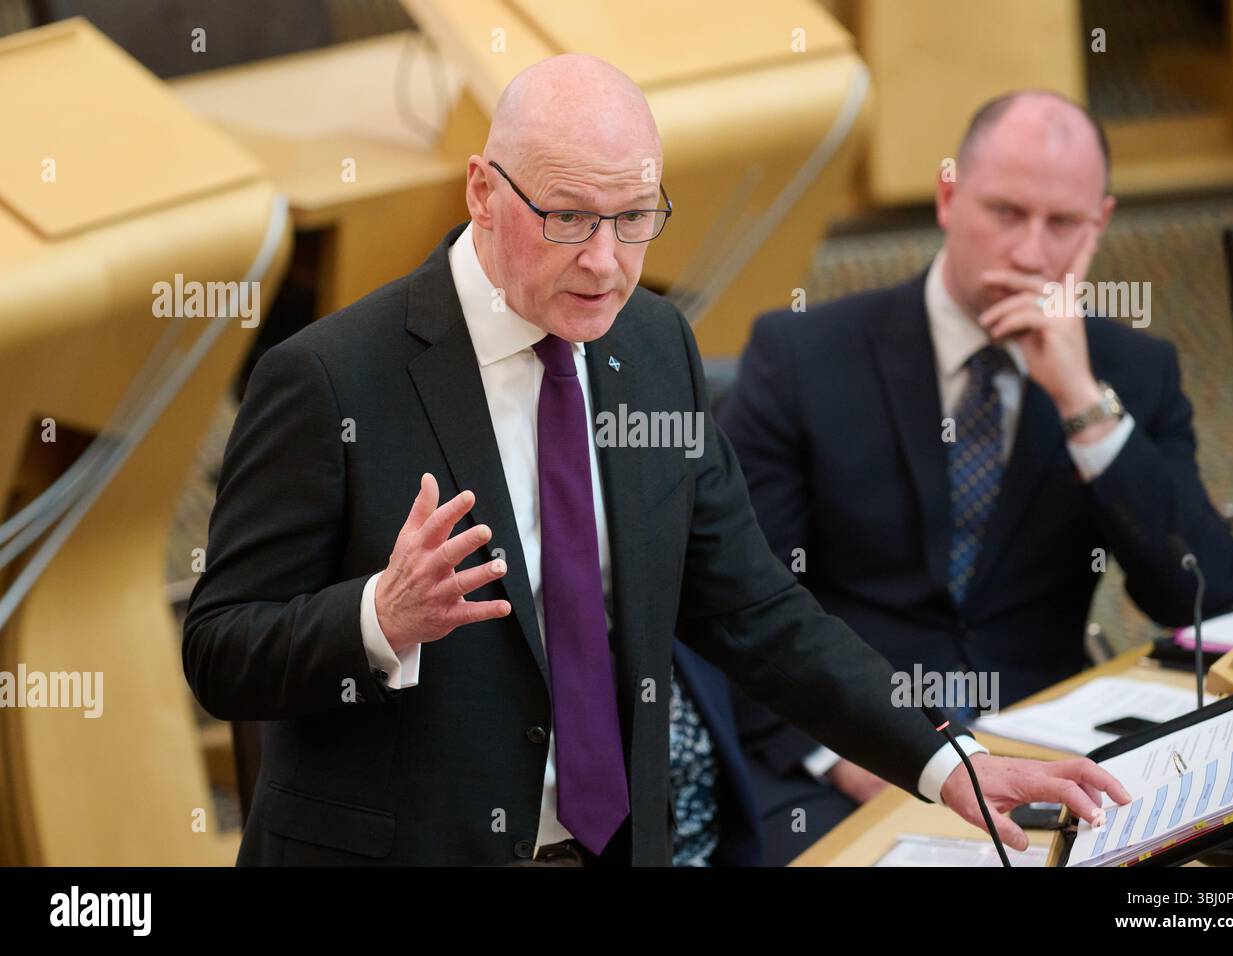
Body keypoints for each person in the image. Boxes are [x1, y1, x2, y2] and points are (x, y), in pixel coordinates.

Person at [183, 65, 1129, 866]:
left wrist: (940, 761)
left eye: (637, 218)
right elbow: (221, 649)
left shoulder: (653, 346)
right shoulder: (330, 377)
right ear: (481, 190)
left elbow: (755, 610)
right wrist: (377, 618)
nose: (606, 262)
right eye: (568, 219)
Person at [718, 90, 1233, 859]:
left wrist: (1082, 404)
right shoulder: (801, 358)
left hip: (1046, 743)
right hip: (838, 754)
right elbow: (732, 603)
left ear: (1099, 226)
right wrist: (868, 759)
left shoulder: (1131, 371)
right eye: (1005, 213)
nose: (1031, 254)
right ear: (947, 197)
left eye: (1063, 225)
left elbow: (1201, 587)